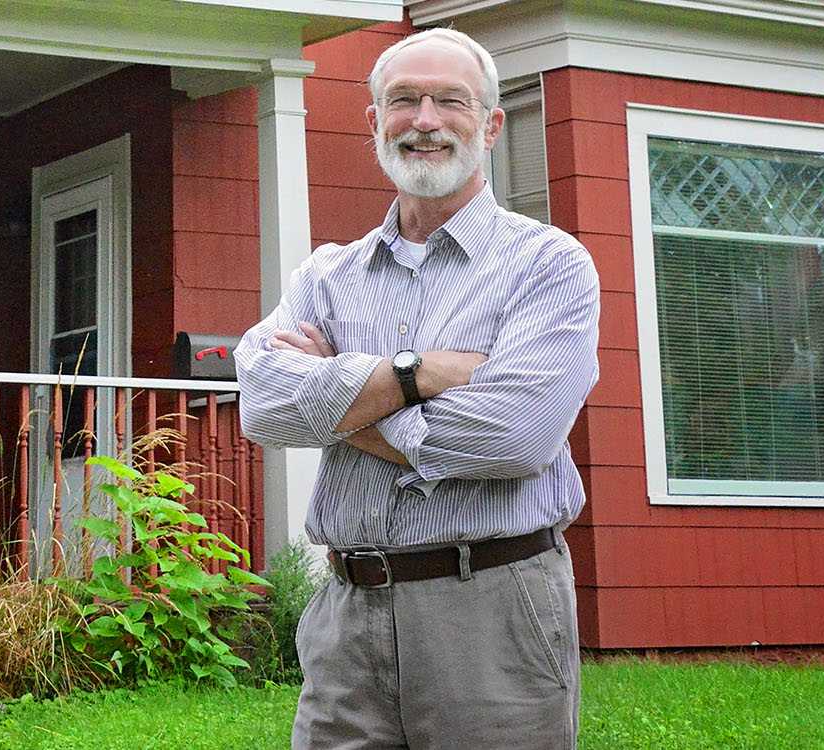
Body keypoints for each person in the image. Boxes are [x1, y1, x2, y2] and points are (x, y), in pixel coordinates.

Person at [234, 28, 600, 750]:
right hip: (346, 616)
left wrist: (338, 404)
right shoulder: (326, 275)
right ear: (375, 121)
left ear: (490, 124)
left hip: (492, 608)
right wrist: (416, 375)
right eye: (403, 100)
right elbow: (264, 406)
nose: (425, 119)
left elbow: (512, 438)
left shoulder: (549, 266)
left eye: (449, 101)